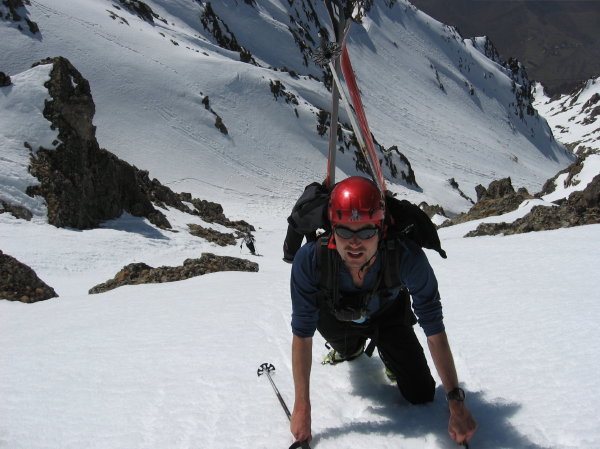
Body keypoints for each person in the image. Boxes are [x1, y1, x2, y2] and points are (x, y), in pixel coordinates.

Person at [289, 176, 477, 446]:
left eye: (366, 232)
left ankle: (388, 354)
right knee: (343, 343)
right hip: (336, 316)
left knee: (421, 393)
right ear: (332, 228)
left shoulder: (406, 256)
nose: (355, 243)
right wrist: (301, 407)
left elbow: (434, 327)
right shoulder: (310, 259)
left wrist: (456, 401)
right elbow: (302, 333)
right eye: (345, 232)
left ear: (381, 228)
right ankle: (350, 349)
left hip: (388, 316)